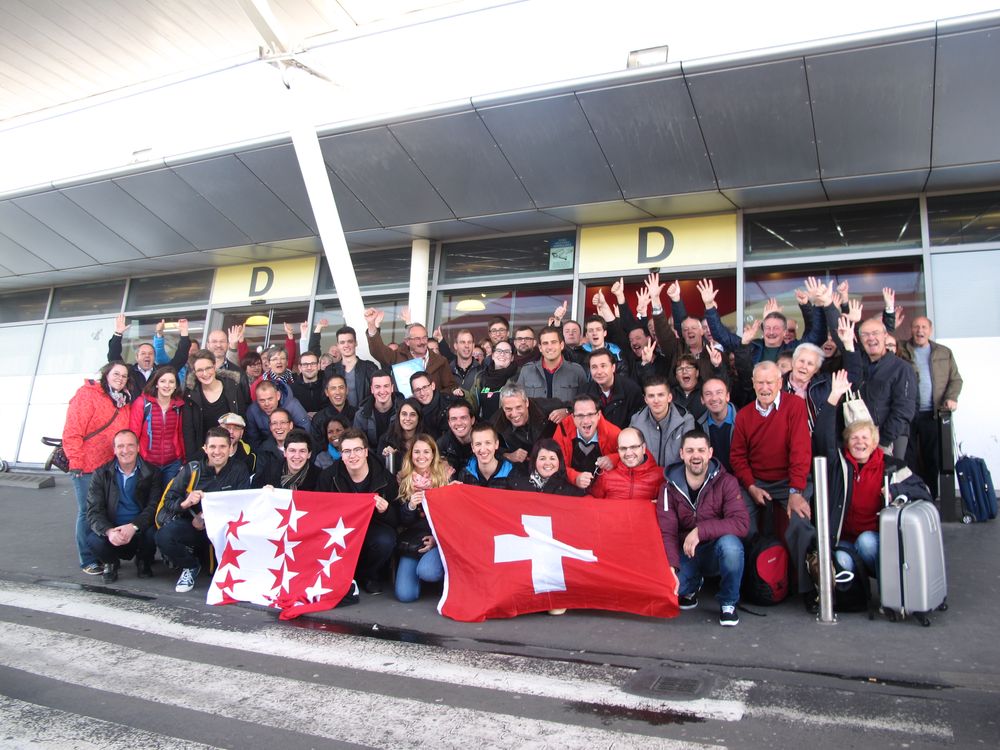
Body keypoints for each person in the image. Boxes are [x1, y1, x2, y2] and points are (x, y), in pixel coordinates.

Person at [787, 370, 932, 613]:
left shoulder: (892, 467)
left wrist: (896, 491)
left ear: (874, 441)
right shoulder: (839, 465)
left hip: (875, 541)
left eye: (865, 437)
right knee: (843, 559)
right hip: (843, 541)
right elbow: (822, 437)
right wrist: (833, 397)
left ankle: (893, 596)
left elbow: (923, 493)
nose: (859, 442)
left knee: (866, 543)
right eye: (854, 438)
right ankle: (857, 599)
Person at [657, 429, 749, 626]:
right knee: (673, 590)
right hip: (686, 553)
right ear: (681, 454)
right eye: (690, 451)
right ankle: (692, 585)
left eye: (701, 450)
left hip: (716, 551)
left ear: (710, 453)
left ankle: (728, 603)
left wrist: (701, 531)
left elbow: (741, 523)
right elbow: (668, 531)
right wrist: (671, 567)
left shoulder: (727, 482)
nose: (695, 456)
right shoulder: (668, 487)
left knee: (732, 547)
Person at [155, 427, 251, 594]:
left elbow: (243, 505)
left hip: (224, 529)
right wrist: (185, 503)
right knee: (163, 536)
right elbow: (168, 502)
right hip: (193, 527)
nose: (217, 452)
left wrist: (207, 517)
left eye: (222, 447)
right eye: (212, 447)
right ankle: (190, 566)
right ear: (205, 449)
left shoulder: (239, 469)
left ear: (230, 449)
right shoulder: (191, 469)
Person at [63, 360, 134, 576]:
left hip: (109, 466)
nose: (120, 378)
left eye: (124, 376)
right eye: (116, 374)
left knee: (106, 510)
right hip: (85, 466)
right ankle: (88, 559)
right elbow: (73, 430)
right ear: (106, 374)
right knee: (87, 511)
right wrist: (75, 461)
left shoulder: (123, 401)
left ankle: (106, 554)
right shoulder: (88, 394)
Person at [730, 361, 812, 535]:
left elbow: (800, 450)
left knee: (800, 523)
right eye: (760, 383)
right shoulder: (744, 415)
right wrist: (751, 486)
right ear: (753, 383)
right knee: (742, 523)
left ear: (780, 383)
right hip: (756, 480)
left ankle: (805, 562)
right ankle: (753, 561)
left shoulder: (795, 406)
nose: (764, 388)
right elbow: (738, 457)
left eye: (770, 382)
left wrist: (796, 490)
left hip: (788, 480)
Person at [316, 428, 399, 594]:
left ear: (366, 452)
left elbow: (398, 520)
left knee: (386, 540)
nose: (352, 455)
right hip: (340, 527)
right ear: (341, 454)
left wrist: (386, 510)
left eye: (357, 450)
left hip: (372, 527)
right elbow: (318, 510)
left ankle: (369, 576)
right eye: (346, 451)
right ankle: (344, 575)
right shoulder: (329, 476)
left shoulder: (384, 478)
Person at [85, 429, 163, 583]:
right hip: (113, 528)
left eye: (130, 445)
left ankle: (143, 561)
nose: (125, 450)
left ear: (138, 447)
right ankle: (110, 563)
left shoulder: (152, 472)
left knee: (154, 532)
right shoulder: (101, 474)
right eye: (120, 446)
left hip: (139, 528)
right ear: (114, 450)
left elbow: (154, 506)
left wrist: (134, 526)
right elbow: (94, 510)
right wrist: (108, 531)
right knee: (93, 539)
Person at [898, 316, 963, 496]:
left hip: (933, 413)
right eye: (916, 327)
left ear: (930, 330)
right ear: (911, 330)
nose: (920, 331)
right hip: (908, 413)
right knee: (907, 456)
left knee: (931, 457)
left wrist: (951, 398)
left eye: (924, 327)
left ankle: (931, 495)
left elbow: (956, 380)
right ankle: (912, 494)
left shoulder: (944, 352)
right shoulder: (901, 349)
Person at [395, 435, 454, 602]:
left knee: (427, 572)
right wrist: (410, 506)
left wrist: (436, 540)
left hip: (439, 539)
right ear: (411, 455)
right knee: (405, 595)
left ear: (433, 454)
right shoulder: (404, 479)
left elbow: (451, 518)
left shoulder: (445, 477)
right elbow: (402, 521)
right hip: (414, 540)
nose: (421, 456)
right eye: (417, 452)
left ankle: (440, 579)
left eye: (426, 452)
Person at [857, 317, 916, 458]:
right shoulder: (857, 367)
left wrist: (882, 438)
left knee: (889, 478)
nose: (870, 338)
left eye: (875, 333)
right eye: (865, 334)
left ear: (885, 336)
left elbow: (904, 410)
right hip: (861, 439)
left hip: (890, 439)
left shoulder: (902, 368)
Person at [364, 308, 457, 392]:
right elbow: (378, 351)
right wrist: (371, 324)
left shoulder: (440, 361)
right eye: (417, 339)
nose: (422, 342)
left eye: (424, 338)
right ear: (407, 341)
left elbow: (450, 387)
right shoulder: (397, 357)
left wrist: (434, 397)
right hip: (404, 409)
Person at [181, 349, 246, 460]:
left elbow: (242, 420)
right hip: (202, 454)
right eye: (200, 370)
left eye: (208, 368)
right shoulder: (190, 394)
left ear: (215, 366)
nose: (205, 374)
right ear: (194, 372)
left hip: (230, 452)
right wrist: (192, 460)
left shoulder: (232, 387)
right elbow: (188, 430)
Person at [516, 326, 588, 422]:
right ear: (540, 348)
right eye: (545, 343)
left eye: (553, 342)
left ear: (561, 345)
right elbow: (517, 402)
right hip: (535, 431)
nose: (549, 347)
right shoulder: (527, 371)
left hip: (566, 430)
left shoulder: (577, 371)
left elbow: (586, 403)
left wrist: (568, 411)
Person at [107, 315, 191, 397]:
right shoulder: (128, 372)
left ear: (154, 357)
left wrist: (184, 333)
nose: (147, 356)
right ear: (136, 357)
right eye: (143, 353)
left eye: (150, 353)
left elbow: (181, 358)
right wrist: (118, 333)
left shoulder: (161, 372)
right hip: (132, 410)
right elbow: (113, 356)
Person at [129, 366, 185, 485]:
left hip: (173, 463)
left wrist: (183, 459)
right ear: (156, 384)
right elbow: (133, 433)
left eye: (171, 382)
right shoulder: (142, 403)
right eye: (163, 381)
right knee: (150, 501)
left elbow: (181, 434)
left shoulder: (179, 406)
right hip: (147, 462)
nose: (167, 385)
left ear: (176, 386)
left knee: (170, 499)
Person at [552, 394, 620, 489]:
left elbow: (633, 456)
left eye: (590, 414)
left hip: (603, 489)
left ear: (599, 415)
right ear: (573, 417)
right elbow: (554, 463)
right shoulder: (563, 430)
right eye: (580, 415)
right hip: (569, 486)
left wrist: (614, 459)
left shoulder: (613, 433)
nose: (586, 421)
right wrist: (575, 478)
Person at [629, 374, 695, 470]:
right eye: (651, 396)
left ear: (669, 397)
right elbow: (630, 454)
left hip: (674, 478)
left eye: (660, 395)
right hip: (646, 478)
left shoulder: (686, 420)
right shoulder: (636, 421)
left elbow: (690, 455)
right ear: (646, 399)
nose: (656, 400)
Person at [589, 428, 663, 501]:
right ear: (618, 450)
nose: (628, 453)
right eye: (623, 448)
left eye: (633, 447)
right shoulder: (606, 475)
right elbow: (593, 503)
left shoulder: (660, 476)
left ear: (643, 448)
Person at [493, 384, 554, 466]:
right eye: (508, 409)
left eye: (518, 407)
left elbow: (573, 406)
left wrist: (566, 411)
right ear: (503, 408)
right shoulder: (496, 422)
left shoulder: (544, 406)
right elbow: (485, 446)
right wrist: (507, 455)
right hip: (520, 469)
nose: (514, 414)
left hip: (549, 464)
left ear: (527, 402)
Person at [583, 348, 643, 429]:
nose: (599, 372)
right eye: (594, 367)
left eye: (603, 366)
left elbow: (638, 423)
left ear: (613, 367)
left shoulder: (631, 390)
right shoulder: (585, 392)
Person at [322, 326, 380, 409]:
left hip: (364, 418)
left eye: (350, 341)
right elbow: (325, 399)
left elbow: (378, 395)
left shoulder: (370, 368)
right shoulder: (330, 370)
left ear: (356, 343)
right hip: (339, 419)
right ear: (338, 345)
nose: (346, 345)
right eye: (342, 342)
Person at [244, 379, 310, 448]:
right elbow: (253, 440)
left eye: (270, 399)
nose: (267, 404)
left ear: (278, 395)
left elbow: (306, 432)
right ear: (257, 400)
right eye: (262, 400)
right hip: (267, 449)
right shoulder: (252, 411)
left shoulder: (293, 406)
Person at [507, 439, 586, 496]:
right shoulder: (517, 486)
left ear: (559, 462)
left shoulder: (572, 493)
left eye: (552, 458)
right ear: (534, 461)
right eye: (542, 458)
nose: (548, 463)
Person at [252, 428, 320, 490]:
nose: (297, 456)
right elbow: (254, 493)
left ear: (309, 454)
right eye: (292, 450)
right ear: (285, 452)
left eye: (302, 451)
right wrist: (263, 491)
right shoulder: (269, 470)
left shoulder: (319, 476)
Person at [458, 423, 516, 488]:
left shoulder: (513, 472)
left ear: (496, 444)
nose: (483, 450)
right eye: (478, 444)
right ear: (472, 447)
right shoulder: (465, 474)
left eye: (488, 443)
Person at [471, 340, 516, 422]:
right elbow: (472, 402)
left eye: (507, 352)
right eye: (499, 351)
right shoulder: (481, 377)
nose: (502, 354)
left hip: (506, 429)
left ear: (512, 357)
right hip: (484, 428)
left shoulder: (517, 377)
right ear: (493, 355)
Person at [697, 378, 736, 472]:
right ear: (702, 400)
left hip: (740, 481)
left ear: (727, 396)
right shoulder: (697, 425)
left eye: (719, 392)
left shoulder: (743, 421)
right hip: (712, 480)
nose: (714, 398)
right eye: (708, 394)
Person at [353, 370, 400, 448]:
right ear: (372, 389)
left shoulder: (403, 411)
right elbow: (358, 444)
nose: (382, 391)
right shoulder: (361, 415)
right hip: (371, 458)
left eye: (386, 386)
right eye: (377, 387)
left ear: (392, 388)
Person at [409, 370, 462, 439]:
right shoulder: (411, 409)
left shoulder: (450, 404)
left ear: (433, 386)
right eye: (417, 390)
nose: (422, 393)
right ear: (413, 393)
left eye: (425, 387)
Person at [310, 374, 357, 448]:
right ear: (326, 392)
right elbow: (316, 447)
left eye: (341, 387)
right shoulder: (318, 419)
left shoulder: (358, 414)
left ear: (347, 390)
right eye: (333, 388)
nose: (337, 392)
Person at [376, 397, 424, 463]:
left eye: (412, 415)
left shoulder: (427, 439)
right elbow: (378, 468)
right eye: (404, 414)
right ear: (398, 416)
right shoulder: (386, 440)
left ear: (419, 418)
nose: (407, 418)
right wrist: (385, 458)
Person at [437, 400, 476, 471]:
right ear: (449, 423)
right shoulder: (442, 445)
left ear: (472, 420)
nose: (459, 423)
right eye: (454, 419)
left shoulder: (485, 440)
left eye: (463, 418)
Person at [290, 351, 325, 415]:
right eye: (305, 364)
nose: (309, 368)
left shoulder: (328, 386)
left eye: (313, 364)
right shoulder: (291, 390)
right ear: (300, 368)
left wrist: (320, 416)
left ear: (318, 366)